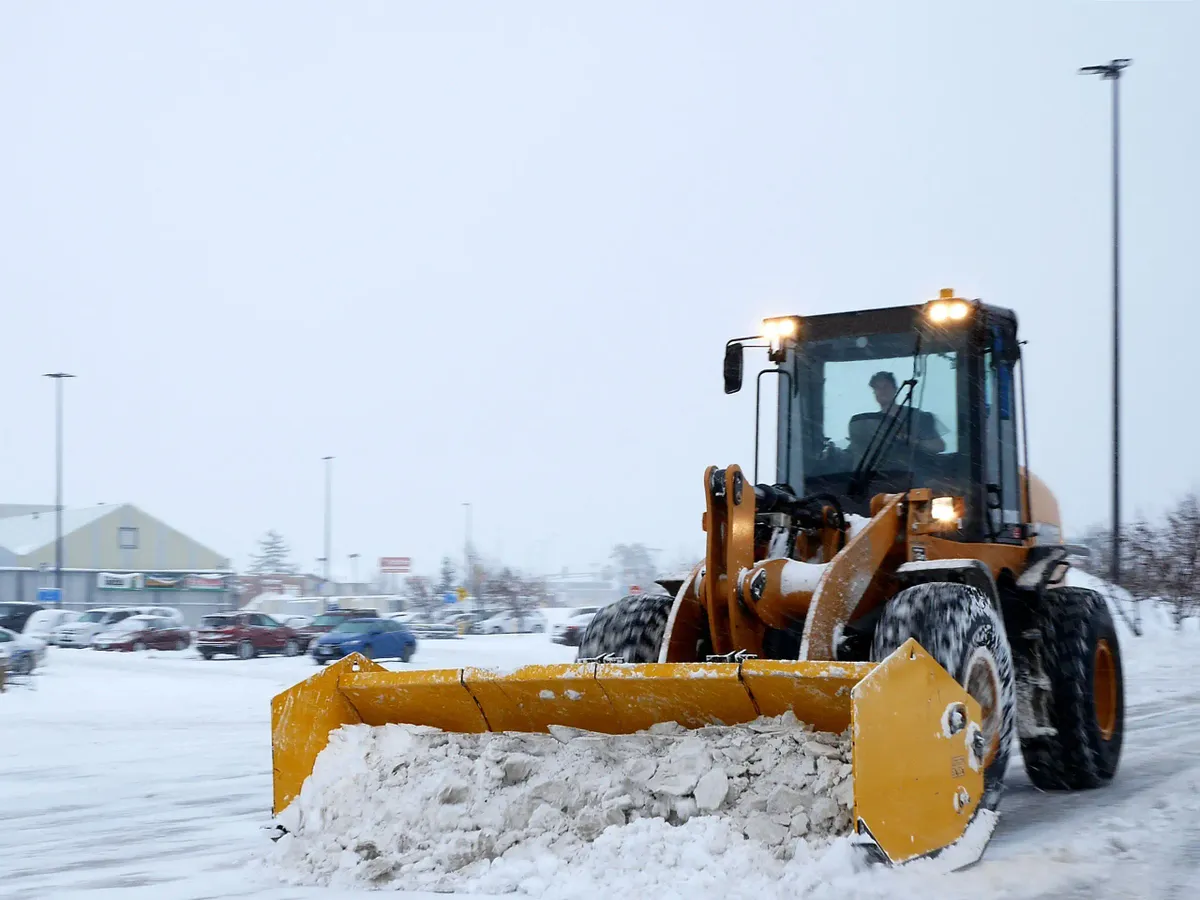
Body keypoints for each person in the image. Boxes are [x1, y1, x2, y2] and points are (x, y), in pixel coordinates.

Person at [866, 371, 945, 454]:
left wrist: (914, 442)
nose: (882, 391)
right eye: (878, 388)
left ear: (895, 389)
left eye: (886, 387)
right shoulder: (871, 423)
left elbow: (939, 446)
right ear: (874, 393)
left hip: (914, 465)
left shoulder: (917, 416)